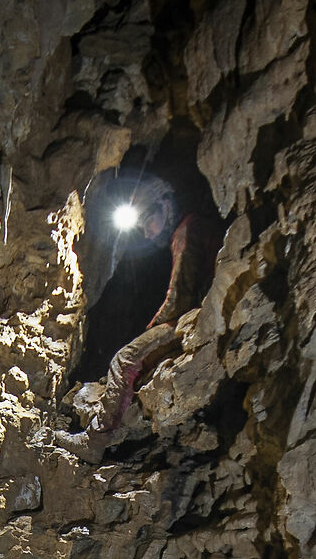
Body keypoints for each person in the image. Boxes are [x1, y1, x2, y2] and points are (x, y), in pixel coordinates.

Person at [56, 186, 219, 448]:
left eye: (147, 222)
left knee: (124, 359)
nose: (146, 232)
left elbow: (180, 296)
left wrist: (150, 329)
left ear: (165, 206)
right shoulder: (195, 226)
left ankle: (95, 440)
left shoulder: (186, 230)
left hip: (194, 316)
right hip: (203, 312)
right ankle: (120, 423)